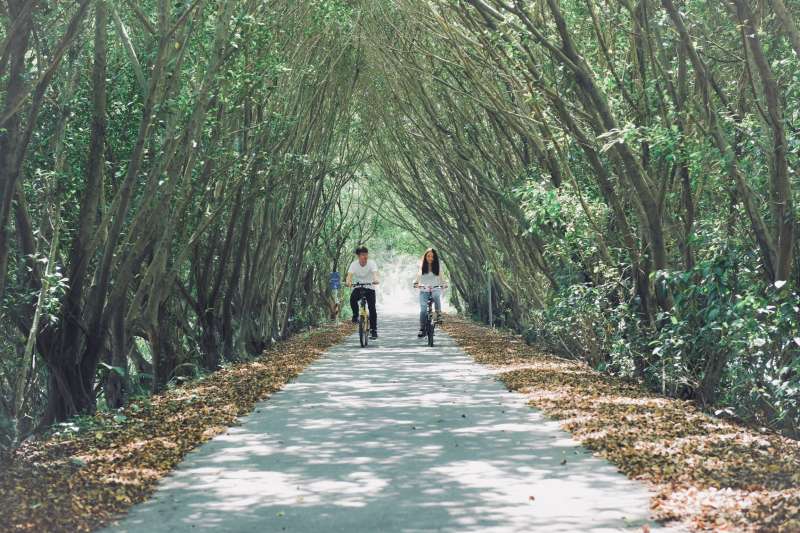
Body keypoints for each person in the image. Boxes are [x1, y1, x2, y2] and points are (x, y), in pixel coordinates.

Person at [346, 246, 379, 339]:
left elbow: (375, 273)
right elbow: (349, 276)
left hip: (370, 288)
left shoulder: (371, 263)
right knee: (352, 299)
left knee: (372, 308)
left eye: (366, 254)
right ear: (358, 256)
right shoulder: (354, 264)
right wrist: (348, 282)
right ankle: (355, 315)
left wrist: (376, 279)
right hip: (359, 287)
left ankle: (373, 330)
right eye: (363, 255)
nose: (365, 256)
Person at [413, 248, 446, 338]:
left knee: (436, 296)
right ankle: (422, 328)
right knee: (423, 309)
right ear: (425, 256)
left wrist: (444, 283)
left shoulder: (437, 266)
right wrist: (416, 283)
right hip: (424, 289)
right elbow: (419, 275)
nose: (430, 258)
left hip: (435, 288)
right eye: (428, 256)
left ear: (434, 257)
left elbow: (442, 276)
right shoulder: (422, 265)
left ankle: (438, 315)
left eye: (432, 256)